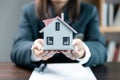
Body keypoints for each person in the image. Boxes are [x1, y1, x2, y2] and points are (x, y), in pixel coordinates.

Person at [11, 0, 107, 70]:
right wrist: (35, 51)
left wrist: (84, 51)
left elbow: (101, 49)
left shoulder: (89, 11)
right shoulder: (29, 11)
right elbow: (17, 48)